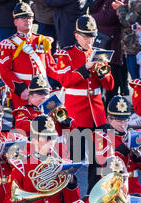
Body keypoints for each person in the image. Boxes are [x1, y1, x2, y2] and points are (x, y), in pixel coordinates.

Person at [55, 12, 114, 192]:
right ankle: (72, 197)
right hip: (77, 115)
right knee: (74, 162)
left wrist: (102, 72)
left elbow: (110, 85)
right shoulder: (66, 54)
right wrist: (85, 68)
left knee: (99, 163)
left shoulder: (98, 54)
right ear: (77, 36)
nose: (90, 41)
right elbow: (64, 80)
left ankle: (93, 200)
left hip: (97, 115)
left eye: (93, 36)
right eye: (86, 37)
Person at [0, 2, 60, 110]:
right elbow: (5, 71)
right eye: (23, 18)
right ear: (15, 22)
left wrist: (65, 79)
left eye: (29, 18)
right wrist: (21, 89)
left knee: (47, 122)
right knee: (24, 123)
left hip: (43, 90)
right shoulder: (9, 44)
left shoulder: (42, 41)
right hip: (23, 91)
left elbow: (51, 66)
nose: (27, 21)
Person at [92, 95, 141, 194]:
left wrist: (138, 155)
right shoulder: (101, 136)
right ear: (109, 119)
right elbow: (107, 165)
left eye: (126, 120)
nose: (123, 124)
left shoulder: (136, 134)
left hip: (134, 186)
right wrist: (125, 147)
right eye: (119, 120)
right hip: (113, 186)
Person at [91, 0, 127, 103]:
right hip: (100, 45)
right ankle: (100, 104)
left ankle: (110, 110)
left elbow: (107, 19)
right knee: (97, 74)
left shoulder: (118, 1)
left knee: (111, 79)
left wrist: (94, 17)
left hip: (112, 46)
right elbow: (92, 9)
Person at [113, 0, 141, 80]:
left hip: (137, 47)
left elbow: (127, 21)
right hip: (132, 46)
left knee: (138, 80)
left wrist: (120, 8)